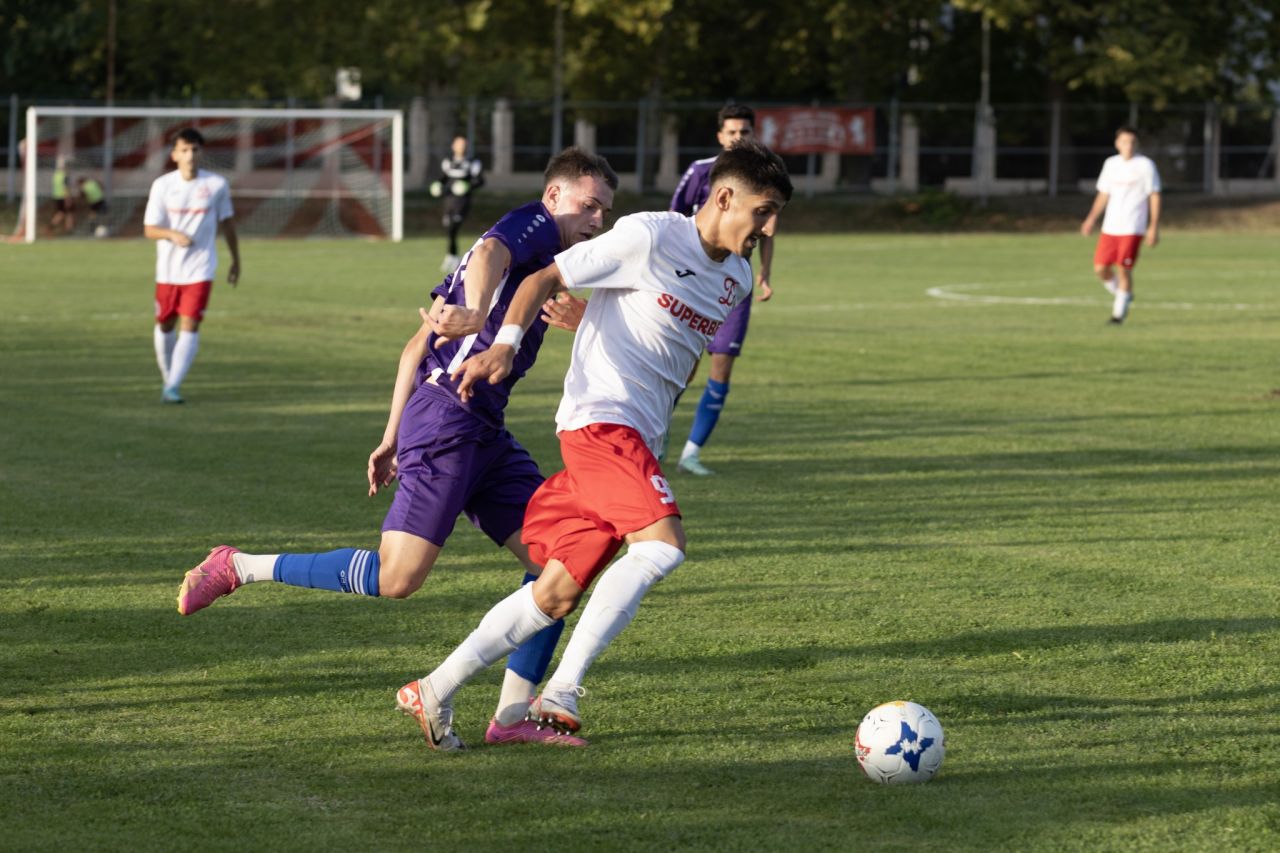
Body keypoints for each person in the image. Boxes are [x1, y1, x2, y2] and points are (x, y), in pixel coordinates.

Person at [176, 147, 618, 748]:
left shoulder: (547, 263)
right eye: (588, 205)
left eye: (605, 211)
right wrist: (478, 313)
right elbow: (490, 252)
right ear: (553, 198)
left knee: (559, 562)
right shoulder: (528, 228)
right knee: (398, 577)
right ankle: (239, 566)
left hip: (480, 427)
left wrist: (388, 437)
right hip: (448, 419)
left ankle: (511, 719)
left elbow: (415, 347)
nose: (596, 220)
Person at [396, 140, 792, 751]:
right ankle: (561, 691)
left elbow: (670, 346)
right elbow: (542, 275)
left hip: (637, 440)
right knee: (662, 548)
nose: (769, 229)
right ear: (724, 197)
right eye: (762, 212)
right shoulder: (651, 236)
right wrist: (502, 342)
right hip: (601, 424)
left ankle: (435, 689)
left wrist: (594, 322)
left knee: (553, 592)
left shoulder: (736, 278)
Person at [668, 104, 775, 476]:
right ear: (720, 136)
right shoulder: (701, 171)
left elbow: (769, 229)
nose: (738, 138)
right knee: (682, 366)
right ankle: (656, 441)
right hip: (693, 283)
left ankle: (691, 454)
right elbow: (673, 219)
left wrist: (764, 272)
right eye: (732, 132)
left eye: (744, 132)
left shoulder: (764, 178)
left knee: (722, 367)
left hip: (735, 286)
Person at [144, 128, 241, 404]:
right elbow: (149, 229)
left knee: (191, 323)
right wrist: (172, 234)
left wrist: (235, 260)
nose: (190, 155)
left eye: (195, 150)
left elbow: (228, 224)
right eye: (184, 150)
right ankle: (169, 377)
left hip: (201, 268)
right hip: (168, 271)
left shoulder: (217, 185)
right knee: (165, 324)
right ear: (174, 155)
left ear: (201, 152)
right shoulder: (163, 186)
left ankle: (173, 386)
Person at [1080, 126, 1162, 325]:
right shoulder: (1111, 164)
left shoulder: (1145, 165)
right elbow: (1103, 194)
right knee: (1100, 268)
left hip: (1133, 227)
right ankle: (1123, 294)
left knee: (1123, 269)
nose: (1128, 146)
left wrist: (1153, 226)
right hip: (1110, 227)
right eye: (1125, 142)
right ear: (1117, 143)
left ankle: (1118, 315)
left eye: (1132, 142)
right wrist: (1091, 218)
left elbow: (1154, 195)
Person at [430, 135, 485, 274]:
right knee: (449, 227)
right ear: (453, 146)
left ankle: (452, 256)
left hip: (462, 202)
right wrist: (438, 187)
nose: (462, 146)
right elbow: (443, 179)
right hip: (449, 201)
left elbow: (479, 181)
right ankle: (452, 255)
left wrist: (467, 186)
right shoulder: (448, 162)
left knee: (454, 225)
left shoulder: (473, 163)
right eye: (459, 144)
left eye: (464, 144)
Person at [49, 156, 76, 234]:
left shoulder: (56, 175)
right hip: (64, 196)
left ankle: (51, 227)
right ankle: (68, 230)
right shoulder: (65, 175)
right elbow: (65, 187)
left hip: (56, 196)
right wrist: (68, 199)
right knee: (69, 212)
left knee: (62, 213)